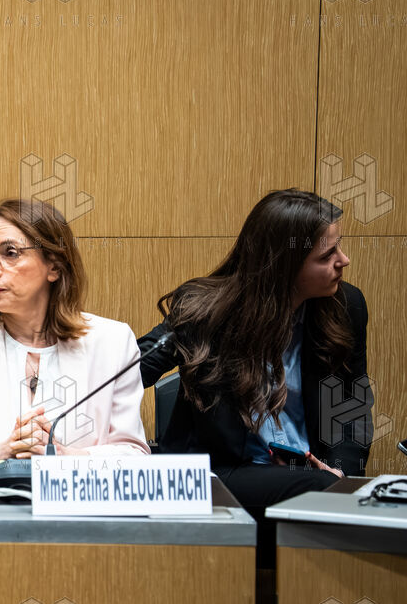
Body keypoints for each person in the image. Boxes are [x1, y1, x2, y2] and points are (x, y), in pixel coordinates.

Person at [139, 189, 370, 508]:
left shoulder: (346, 307)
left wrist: (341, 473)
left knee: (341, 491)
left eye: (339, 247)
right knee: (319, 488)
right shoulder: (206, 311)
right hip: (222, 472)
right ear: (284, 265)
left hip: (308, 472)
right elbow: (132, 369)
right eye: (327, 255)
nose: (343, 261)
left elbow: (351, 408)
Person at [0, 199, 149, 459]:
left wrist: (65, 457)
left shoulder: (112, 343)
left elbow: (133, 453)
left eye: (10, 253)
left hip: (72, 487)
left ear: (54, 266)